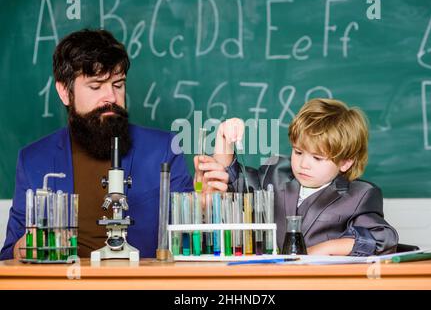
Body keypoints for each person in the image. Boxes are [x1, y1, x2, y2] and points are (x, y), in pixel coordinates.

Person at [0, 29, 193, 260]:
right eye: (95, 86)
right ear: (64, 91)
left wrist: (200, 205)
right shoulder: (33, 160)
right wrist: (28, 245)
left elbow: (188, 242)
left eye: (118, 84)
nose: (111, 97)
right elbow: (7, 257)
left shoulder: (164, 150)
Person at [195, 98, 398, 256]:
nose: (303, 164)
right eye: (298, 152)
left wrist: (322, 249)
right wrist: (223, 137)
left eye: (317, 158)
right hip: (267, 281)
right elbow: (228, 180)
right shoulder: (275, 174)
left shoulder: (359, 195)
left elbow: (382, 239)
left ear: (345, 162)